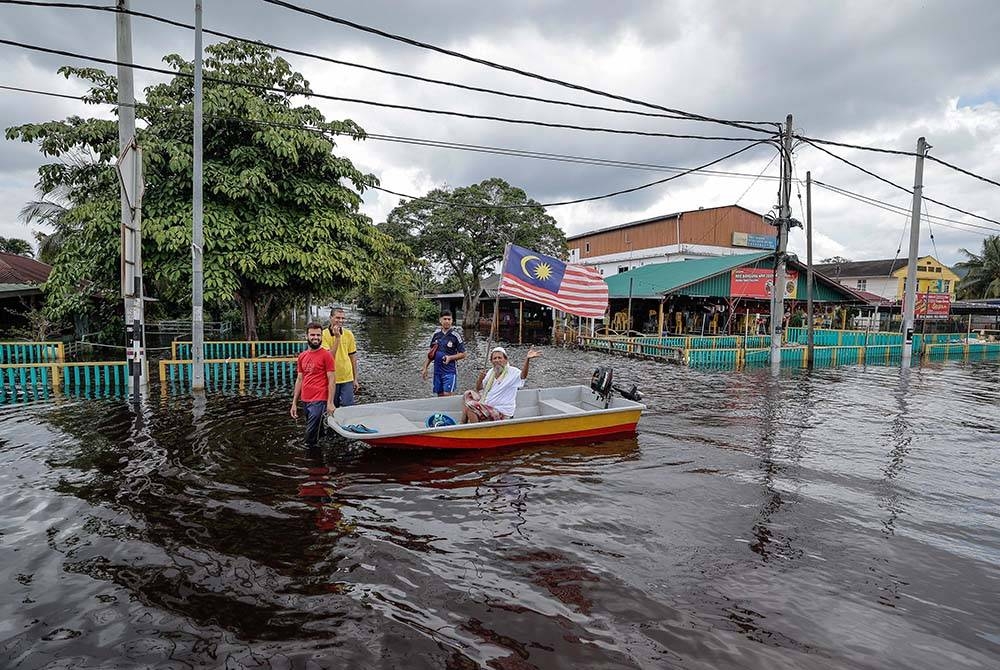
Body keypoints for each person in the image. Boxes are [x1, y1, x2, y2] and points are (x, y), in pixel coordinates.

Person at [461, 346, 541, 423]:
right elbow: (479, 389)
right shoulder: (490, 372)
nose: (497, 360)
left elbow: (523, 376)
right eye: (494, 358)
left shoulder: (513, 371)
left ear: (505, 360)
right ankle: (462, 425)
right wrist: (480, 379)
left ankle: (476, 431)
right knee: (468, 394)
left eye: (500, 358)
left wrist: (527, 360)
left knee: (470, 405)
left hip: (502, 412)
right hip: (488, 404)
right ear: (491, 361)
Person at [290, 322, 335, 448]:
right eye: (312, 335)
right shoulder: (302, 356)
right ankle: (325, 456)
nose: (315, 338)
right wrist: (294, 402)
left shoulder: (327, 355)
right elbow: (299, 379)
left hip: (319, 399)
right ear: (307, 336)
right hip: (306, 399)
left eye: (318, 335)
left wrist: (330, 402)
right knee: (318, 432)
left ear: (321, 336)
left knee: (309, 437)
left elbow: (332, 379)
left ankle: (311, 462)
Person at [421, 311, 466, 396]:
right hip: (437, 371)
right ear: (440, 320)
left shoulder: (455, 335)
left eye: (449, 319)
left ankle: (450, 409)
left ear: (452, 321)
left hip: (449, 371)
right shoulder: (436, 334)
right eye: (445, 319)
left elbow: (463, 354)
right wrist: (425, 368)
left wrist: (450, 358)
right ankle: (441, 410)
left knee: (447, 394)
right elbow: (431, 354)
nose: (447, 321)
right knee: (440, 395)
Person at [321, 307, 359, 407]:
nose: (340, 321)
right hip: (331, 377)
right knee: (333, 405)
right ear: (331, 318)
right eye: (337, 318)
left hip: (347, 376)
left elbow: (353, 357)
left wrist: (355, 378)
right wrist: (337, 338)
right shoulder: (323, 334)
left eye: (343, 318)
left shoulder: (348, 334)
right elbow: (329, 357)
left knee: (348, 405)